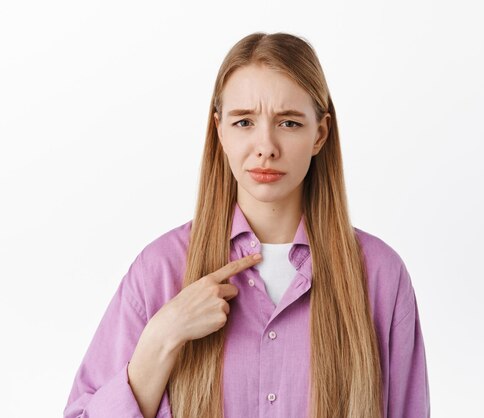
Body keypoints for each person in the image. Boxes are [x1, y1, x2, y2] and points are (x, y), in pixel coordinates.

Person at [64, 31, 430, 418]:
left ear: (319, 134)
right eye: (243, 123)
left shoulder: (380, 276)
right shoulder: (160, 270)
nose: (266, 146)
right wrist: (161, 338)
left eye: (289, 123)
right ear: (219, 131)